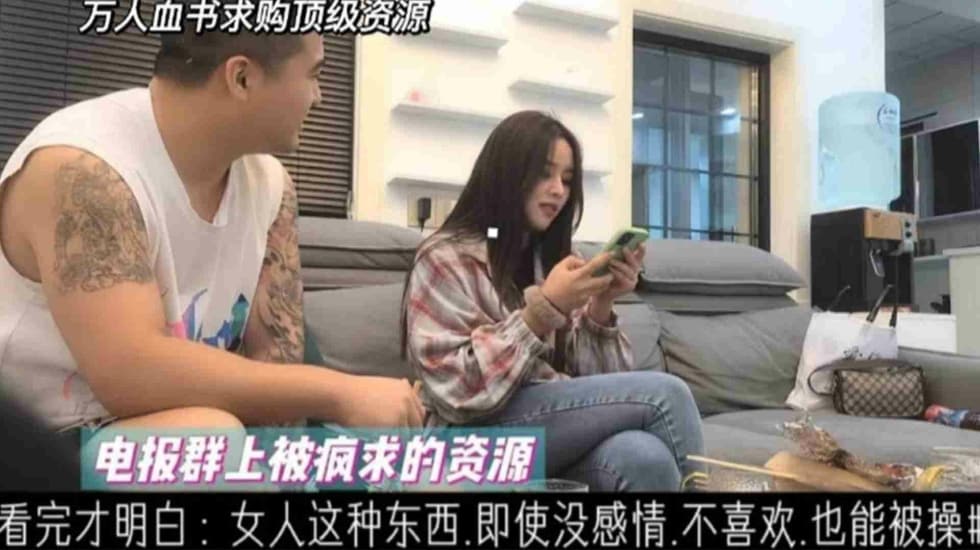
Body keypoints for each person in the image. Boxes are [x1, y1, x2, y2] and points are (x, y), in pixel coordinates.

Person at [0, 29, 424, 442]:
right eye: (314, 74)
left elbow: (277, 362)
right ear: (242, 78)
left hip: (172, 434)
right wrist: (340, 392)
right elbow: (130, 374)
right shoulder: (83, 169)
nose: (319, 96)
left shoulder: (270, 185)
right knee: (207, 437)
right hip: (40, 440)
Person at [401, 111, 704, 491]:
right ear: (506, 174)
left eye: (567, 179)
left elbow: (599, 391)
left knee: (643, 456)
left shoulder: (553, 260)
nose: (559, 190)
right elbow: (457, 392)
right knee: (667, 394)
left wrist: (601, 305)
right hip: (467, 436)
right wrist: (543, 311)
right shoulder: (444, 258)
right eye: (544, 174)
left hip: (548, 434)